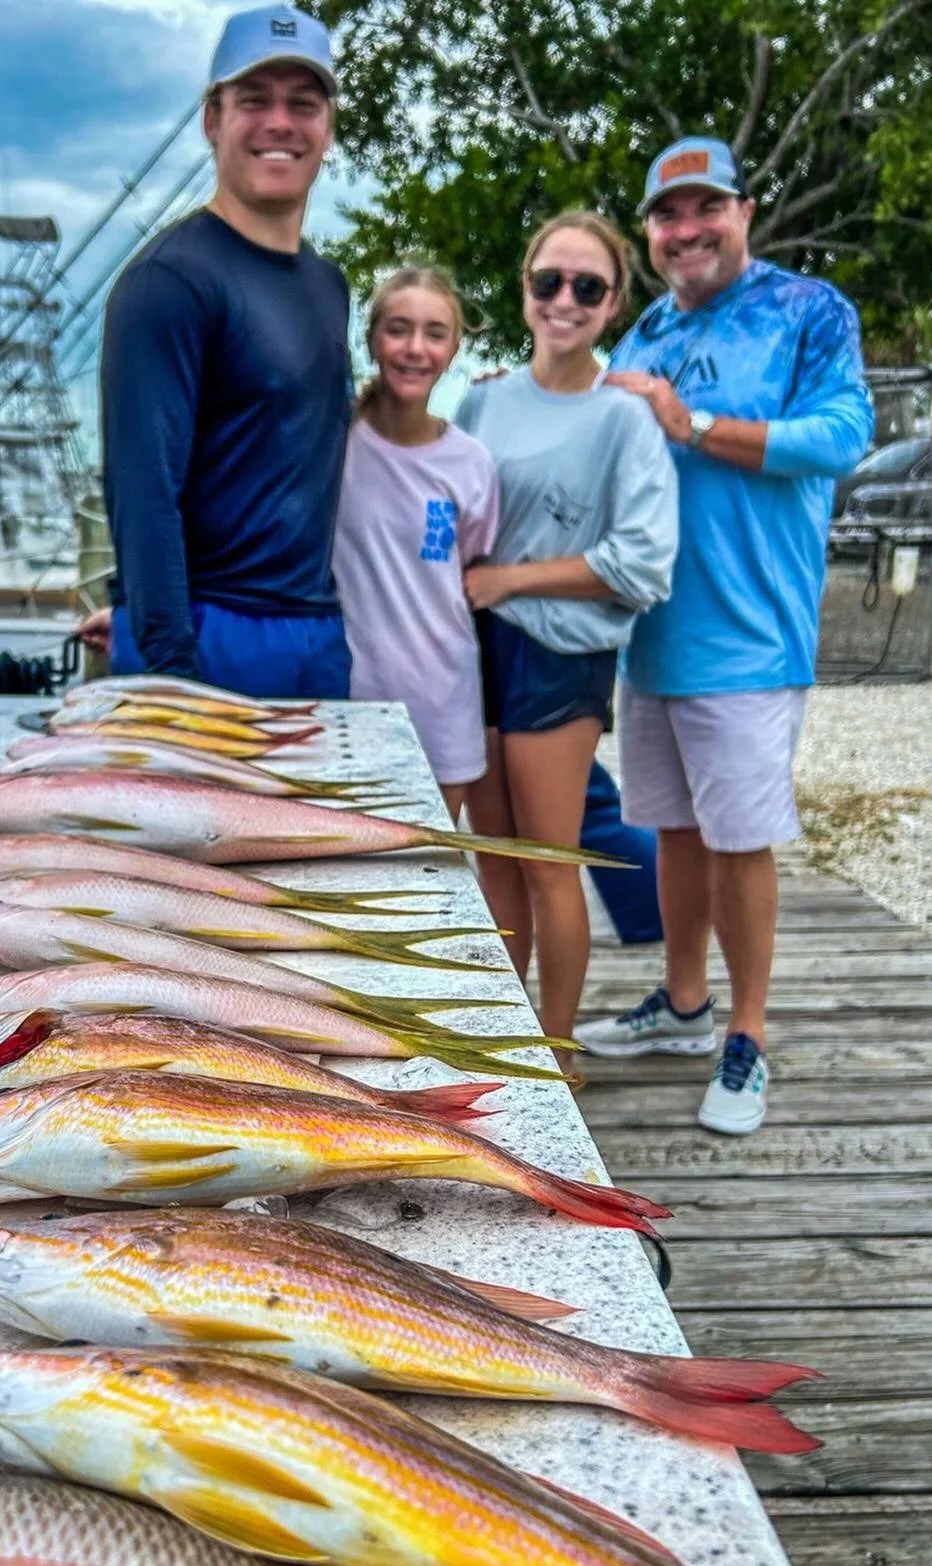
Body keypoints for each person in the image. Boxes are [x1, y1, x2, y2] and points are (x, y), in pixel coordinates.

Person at [575, 135, 874, 1135]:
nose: (686, 229)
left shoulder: (807, 311)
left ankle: (747, 1034)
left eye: (706, 208)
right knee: (673, 827)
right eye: (666, 214)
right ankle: (684, 1002)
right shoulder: (643, 330)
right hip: (650, 637)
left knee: (743, 838)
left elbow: (840, 437)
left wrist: (692, 423)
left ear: (744, 210)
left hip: (752, 635)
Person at [454, 211, 678, 1069]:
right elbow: (454, 514)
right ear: (524, 289)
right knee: (497, 863)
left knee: (552, 864)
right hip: (476, 651)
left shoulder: (623, 419)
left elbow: (643, 563)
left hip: (562, 654)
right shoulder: (484, 396)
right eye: (549, 280)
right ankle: (500, 1050)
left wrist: (515, 579)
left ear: (613, 302)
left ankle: (554, 1056)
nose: (565, 299)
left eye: (587, 286)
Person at [90, 3, 353, 698]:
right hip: (206, 635)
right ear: (212, 120)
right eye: (253, 100)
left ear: (327, 129)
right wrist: (170, 672)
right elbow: (143, 495)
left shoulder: (329, 284)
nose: (279, 123)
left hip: (314, 632)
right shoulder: (169, 283)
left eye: (303, 103)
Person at [330, 266, 499, 822]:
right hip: (346, 699)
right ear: (373, 338)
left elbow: (468, 566)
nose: (415, 349)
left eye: (435, 333)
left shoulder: (470, 462)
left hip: (444, 696)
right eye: (398, 329)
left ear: (454, 348)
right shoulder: (334, 442)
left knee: (432, 872)